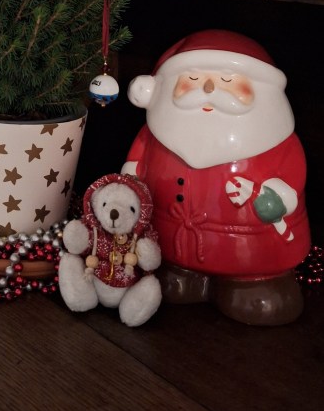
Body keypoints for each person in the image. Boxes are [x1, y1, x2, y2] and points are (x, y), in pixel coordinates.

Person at [122, 28, 311, 324]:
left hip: (253, 255)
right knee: (172, 279)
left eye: (228, 80)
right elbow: (135, 165)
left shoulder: (275, 139)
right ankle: (184, 273)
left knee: (260, 297)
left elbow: (291, 175)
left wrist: (276, 198)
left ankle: (257, 283)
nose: (209, 88)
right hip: (171, 246)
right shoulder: (157, 131)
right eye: (192, 78)